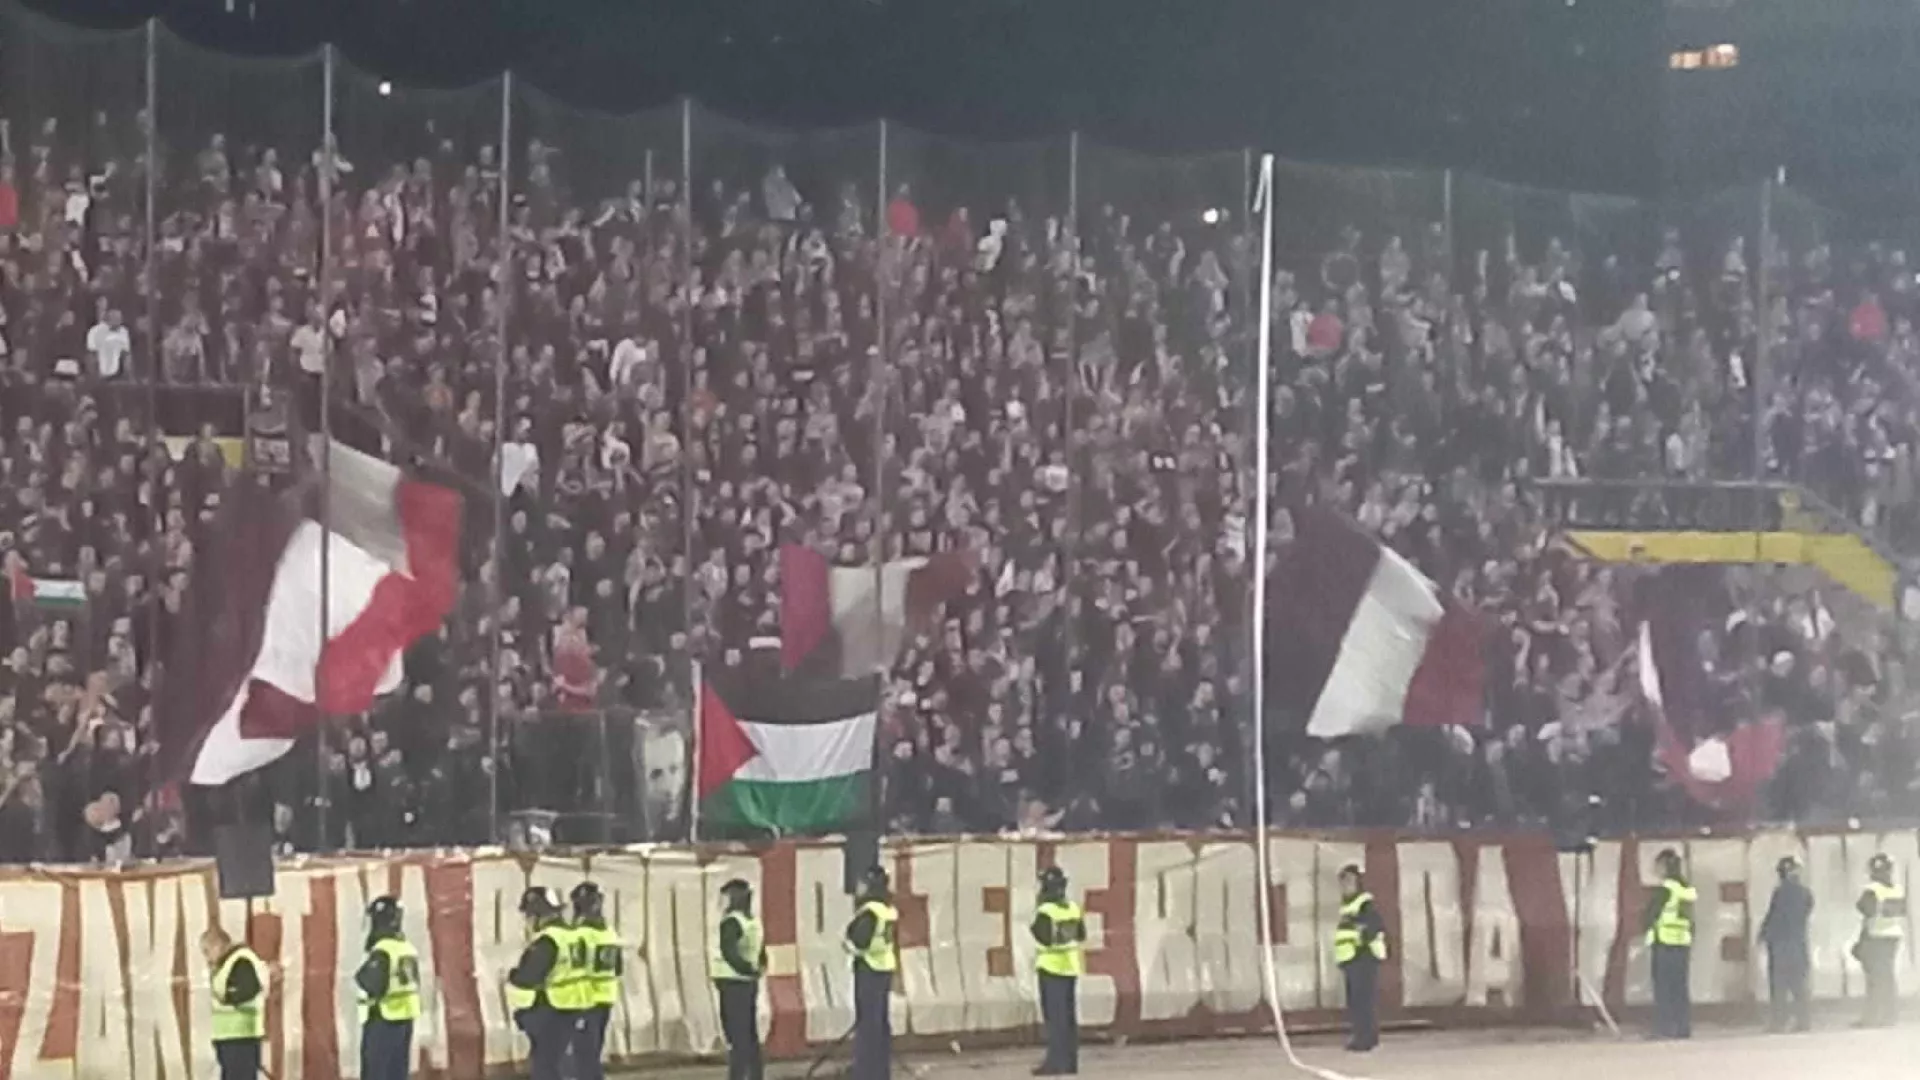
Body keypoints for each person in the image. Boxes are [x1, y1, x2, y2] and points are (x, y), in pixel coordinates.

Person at [506, 886, 585, 1080]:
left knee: (545, 1067)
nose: (527, 921)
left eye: (529, 915)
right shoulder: (573, 936)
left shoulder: (547, 941)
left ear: (538, 915)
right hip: (574, 1006)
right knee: (562, 1064)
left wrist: (514, 975)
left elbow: (528, 977)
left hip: (550, 1010)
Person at [354, 896, 421, 1080]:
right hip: (404, 1020)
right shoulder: (406, 947)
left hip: (383, 1019)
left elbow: (370, 982)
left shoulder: (383, 950)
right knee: (397, 1072)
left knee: (376, 1073)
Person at [1031, 865, 1085, 1076]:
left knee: (1055, 1020)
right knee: (1069, 1019)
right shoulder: (1073, 908)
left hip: (1051, 969)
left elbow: (1042, 937)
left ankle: (1055, 1062)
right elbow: (1081, 935)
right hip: (1070, 968)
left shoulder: (1045, 911)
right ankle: (1070, 1062)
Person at [846, 864, 898, 1080]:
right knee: (880, 1024)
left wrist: (848, 945)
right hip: (884, 968)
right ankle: (880, 1071)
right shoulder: (887, 909)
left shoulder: (870, 911)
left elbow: (859, 941)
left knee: (867, 1026)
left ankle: (865, 1072)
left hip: (869, 969)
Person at [711, 878, 767, 1080]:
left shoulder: (732, 921)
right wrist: (757, 970)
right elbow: (761, 952)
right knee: (750, 1034)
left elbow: (729, 952)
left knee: (736, 1036)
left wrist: (746, 969)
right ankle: (755, 1075)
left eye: (728, 896)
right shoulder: (754, 922)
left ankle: (737, 1075)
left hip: (732, 982)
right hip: (748, 983)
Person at [201, 925, 268, 1080]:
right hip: (232, 1038)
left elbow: (247, 990)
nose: (206, 957)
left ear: (218, 946)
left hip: (241, 1037)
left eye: (207, 951)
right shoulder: (228, 963)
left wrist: (227, 998)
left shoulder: (241, 961)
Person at [1643, 848, 1695, 1040]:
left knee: (1663, 989)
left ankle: (1664, 1027)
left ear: (1665, 866)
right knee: (1680, 988)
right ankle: (1682, 1027)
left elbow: (1651, 915)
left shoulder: (1666, 890)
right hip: (1682, 944)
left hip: (1664, 943)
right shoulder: (1686, 890)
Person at [1332, 865, 1385, 1053]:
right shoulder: (1348, 905)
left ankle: (1365, 1039)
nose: (1345, 886)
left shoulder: (1364, 903)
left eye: (1349, 881)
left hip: (1362, 956)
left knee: (1363, 1001)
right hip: (1351, 958)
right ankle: (1364, 1036)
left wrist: (1361, 942)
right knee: (1356, 1001)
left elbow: (1374, 926)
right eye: (1343, 882)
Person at [571, 882, 621, 1080]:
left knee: (585, 1051)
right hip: (602, 997)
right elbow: (618, 967)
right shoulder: (609, 931)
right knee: (592, 1049)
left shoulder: (580, 933)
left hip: (587, 998)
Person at [1758, 856, 1812, 1033]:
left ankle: (1779, 1021)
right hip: (1799, 943)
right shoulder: (1806, 893)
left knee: (1779, 985)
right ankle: (1803, 1020)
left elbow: (1774, 916)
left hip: (1781, 945)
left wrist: (1763, 934)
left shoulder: (1780, 892)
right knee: (1798, 985)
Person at [1854, 852, 1906, 1028]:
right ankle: (1890, 1015)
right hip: (1893, 936)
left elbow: (1863, 909)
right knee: (1888, 977)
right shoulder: (1897, 889)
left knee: (1875, 979)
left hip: (1876, 937)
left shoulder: (1873, 889)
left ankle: (1873, 1017)